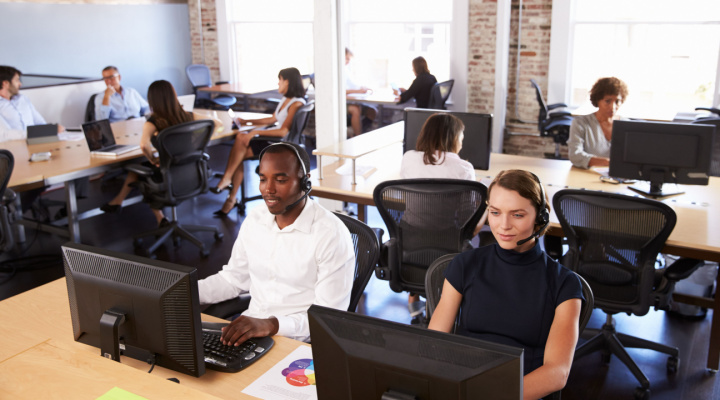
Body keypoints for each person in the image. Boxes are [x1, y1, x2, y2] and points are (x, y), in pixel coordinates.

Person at [427, 169, 583, 400]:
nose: (503, 225)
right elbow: (434, 344)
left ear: (540, 218)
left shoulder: (564, 284)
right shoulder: (465, 265)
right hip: (463, 387)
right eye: (495, 213)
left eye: (517, 215)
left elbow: (556, 373)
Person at [198, 142, 355, 344]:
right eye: (263, 179)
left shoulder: (330, 234)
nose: (268, 189)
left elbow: (327, 319)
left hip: (300, 342)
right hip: (249, 335)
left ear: (305, 182)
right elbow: (233, 279)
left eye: (280, 179)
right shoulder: (256, 219)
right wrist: (186, 290)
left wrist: (271, 325)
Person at [100, 80, 222, 226]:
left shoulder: (153, 122)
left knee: (143, 169)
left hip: (168, 174)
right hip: (192, 171)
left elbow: (144, 146)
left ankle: (158, 217)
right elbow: (217, 123)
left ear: (152, 100)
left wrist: (152, 159)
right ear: (173, 95)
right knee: (140, 168)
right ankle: (119, 201)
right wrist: (198, 142)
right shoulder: (189, 115)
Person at [400, 113, 478, 323]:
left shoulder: (408, 158)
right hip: (446, 246)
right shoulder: (464, 169)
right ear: (452, 138)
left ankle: (415, 301)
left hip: (410, 241)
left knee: (419, 224)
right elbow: (467, 221)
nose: (462, 142)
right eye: (461, 137)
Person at [210, 67, 306, 217]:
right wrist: (247, 121)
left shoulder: (296, 104)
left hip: (279, 144)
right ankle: (230, 195)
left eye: (279, 80)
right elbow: (272, 119)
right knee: (240, 143)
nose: (278, 83)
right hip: (273, 140)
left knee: (240, 143)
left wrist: (255, 132)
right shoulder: (286, 100)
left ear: (287, 82)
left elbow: (283, 131)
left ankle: (228, 187)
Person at [567, 77, 629, 169]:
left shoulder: (627, 125)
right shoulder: (581, 123)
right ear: (597, 100)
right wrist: (608, 162)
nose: (613, 107)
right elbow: (575, 155)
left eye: (617, 101)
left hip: (618, 177)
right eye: (607, 101)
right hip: (587, 175)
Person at [0, 65, 64, 143]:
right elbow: (5, 134)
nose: (20, 84)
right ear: (5, 83)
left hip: (35, 142)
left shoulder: (22, 99)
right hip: (13, 146)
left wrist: (51, 129)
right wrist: (39, 133)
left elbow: (40, 122)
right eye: (17, 80)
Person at [344, 48, 377, 136]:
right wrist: (358, 91)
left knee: (372, 111)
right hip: (342, 104)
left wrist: (362, 88)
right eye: (347, 58)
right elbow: (341, 91)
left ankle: (359, 131)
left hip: (351, 100)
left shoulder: (346, 70)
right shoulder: (337, 72)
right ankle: (357, 135)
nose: (348, 61)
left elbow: (353, 84)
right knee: (355, 110)